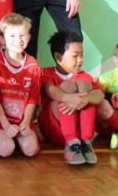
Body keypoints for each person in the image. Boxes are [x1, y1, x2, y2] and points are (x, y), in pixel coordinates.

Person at [39, 30, 104, 165]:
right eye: (75, 56)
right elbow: (49, 89)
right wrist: (69, 98)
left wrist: (83, 99)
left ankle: (85, 142)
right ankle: (71, 142)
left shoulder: (85, 75)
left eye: (81, 55)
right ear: (58, 57)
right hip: (55, 130)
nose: (80, 60)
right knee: (68, 86)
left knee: (84, 84)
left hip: (81, 131)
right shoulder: (46, 72)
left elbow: (100, 95)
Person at [0, 14, 40, 158]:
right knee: (6, 149)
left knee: (31, 150)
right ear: (2, 39)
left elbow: (33, 99)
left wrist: (25, 123)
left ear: (28, 38)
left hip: (20, 120)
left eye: (22, 35)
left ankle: (15, 138)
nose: (18, 40)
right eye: (12, 36)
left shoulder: (33, 65)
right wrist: (6, 125)